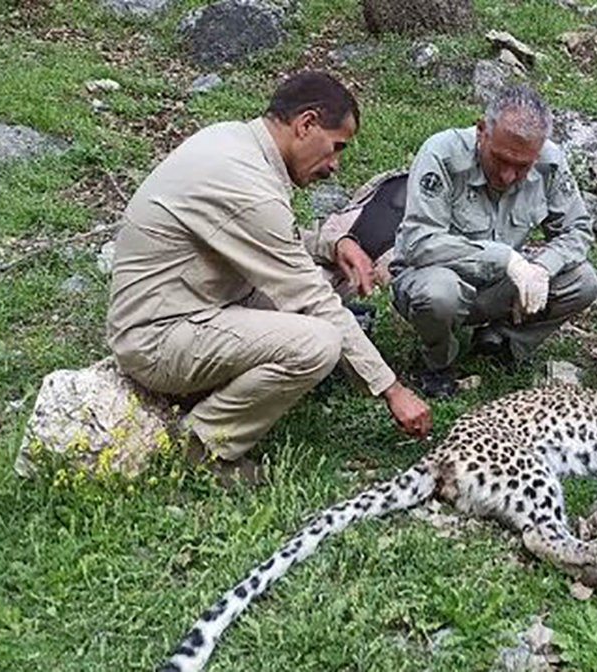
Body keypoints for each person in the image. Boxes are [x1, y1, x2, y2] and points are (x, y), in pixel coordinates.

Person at [106, 71, 431, 484]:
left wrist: (333, 247)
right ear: (306, 124)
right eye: (336, 148)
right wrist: (392, 389)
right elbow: (310, 297)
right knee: (318, 341)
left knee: (335, 274)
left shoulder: (234, 142)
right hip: (157, 339)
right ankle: (202, 449)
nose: (335, 165)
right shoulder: (248, 186)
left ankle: (215, 396)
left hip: (193, 304)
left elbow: (272, 240)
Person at [389, 85, 597, 398]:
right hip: (436, 281)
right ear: (482, 131)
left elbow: (578, 230)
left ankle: (500, 342)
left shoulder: (550, 163)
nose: (507, 176)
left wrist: (542, 267)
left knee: (583, 281)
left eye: (522, 166)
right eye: (500, 159)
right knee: (439, 294)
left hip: (500, 288)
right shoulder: (442, 153)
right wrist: (505, 259)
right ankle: (437, 361)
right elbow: (420, 242)